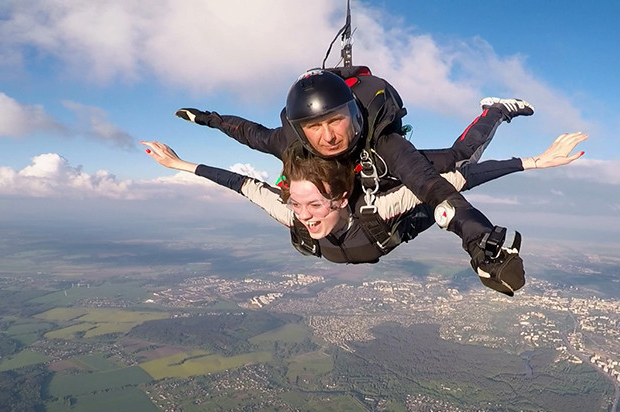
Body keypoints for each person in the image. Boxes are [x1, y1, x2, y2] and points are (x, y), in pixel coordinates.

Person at [143, 117, 587, 295]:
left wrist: (533, 163)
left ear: (339, 198)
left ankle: (492, 112)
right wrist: (178, 163)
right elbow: (238, 181)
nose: (305, 216)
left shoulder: (379, 207)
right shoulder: (292, 214)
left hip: (400, 217)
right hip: (371, 232)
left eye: (313, 205)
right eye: (295, 205)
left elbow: (457, 184)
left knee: (455, 160)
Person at [174, 68, 533, 272]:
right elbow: (247, 134)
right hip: (355, 216)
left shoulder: (385, 145)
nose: (328, 137)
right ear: (300, 131)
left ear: (355, 116)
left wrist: (479, 242)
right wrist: (208, 120)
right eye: (315, 127)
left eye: (337, 121)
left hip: (387, 186)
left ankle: (495, 111)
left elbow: (435, 190)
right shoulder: (290, 145)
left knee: (459, 159)